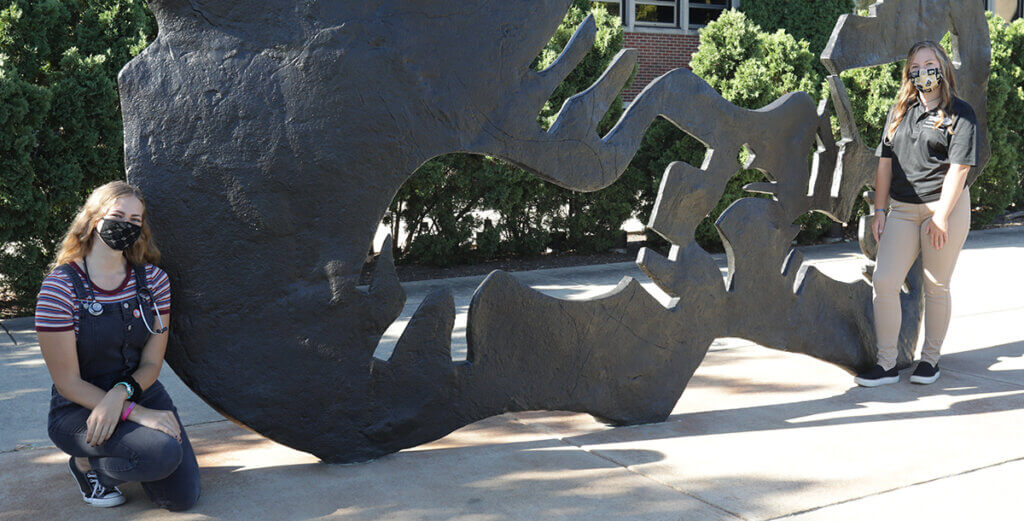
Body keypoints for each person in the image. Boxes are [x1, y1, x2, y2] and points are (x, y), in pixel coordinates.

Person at [35, 181, 201, 509]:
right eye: (118, 215)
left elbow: (152, 363)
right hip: (78, 407)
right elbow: (66, 382)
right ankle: (85, 465)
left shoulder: (154, 281)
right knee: (162, 452)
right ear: (94, 219)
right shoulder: (59, 288)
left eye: (135, 221)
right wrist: (133, 413)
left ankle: (128, 458)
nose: (126, 225)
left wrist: (122, 396)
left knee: (182, 498)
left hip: (138, 390)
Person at [855, 41, 978, 387]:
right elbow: (884, 165)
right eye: (916, 64)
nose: (924, 70)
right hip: (903, 210)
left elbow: (959, 169)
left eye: (930, 62)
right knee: (884, 281)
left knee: (936, 285)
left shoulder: (960, 113)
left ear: (942, 68)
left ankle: (930, 360)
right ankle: (887, 364)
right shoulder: (898, 113)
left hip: (946, 208)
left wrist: (940, 217)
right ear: (909, 72)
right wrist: (880, 209)